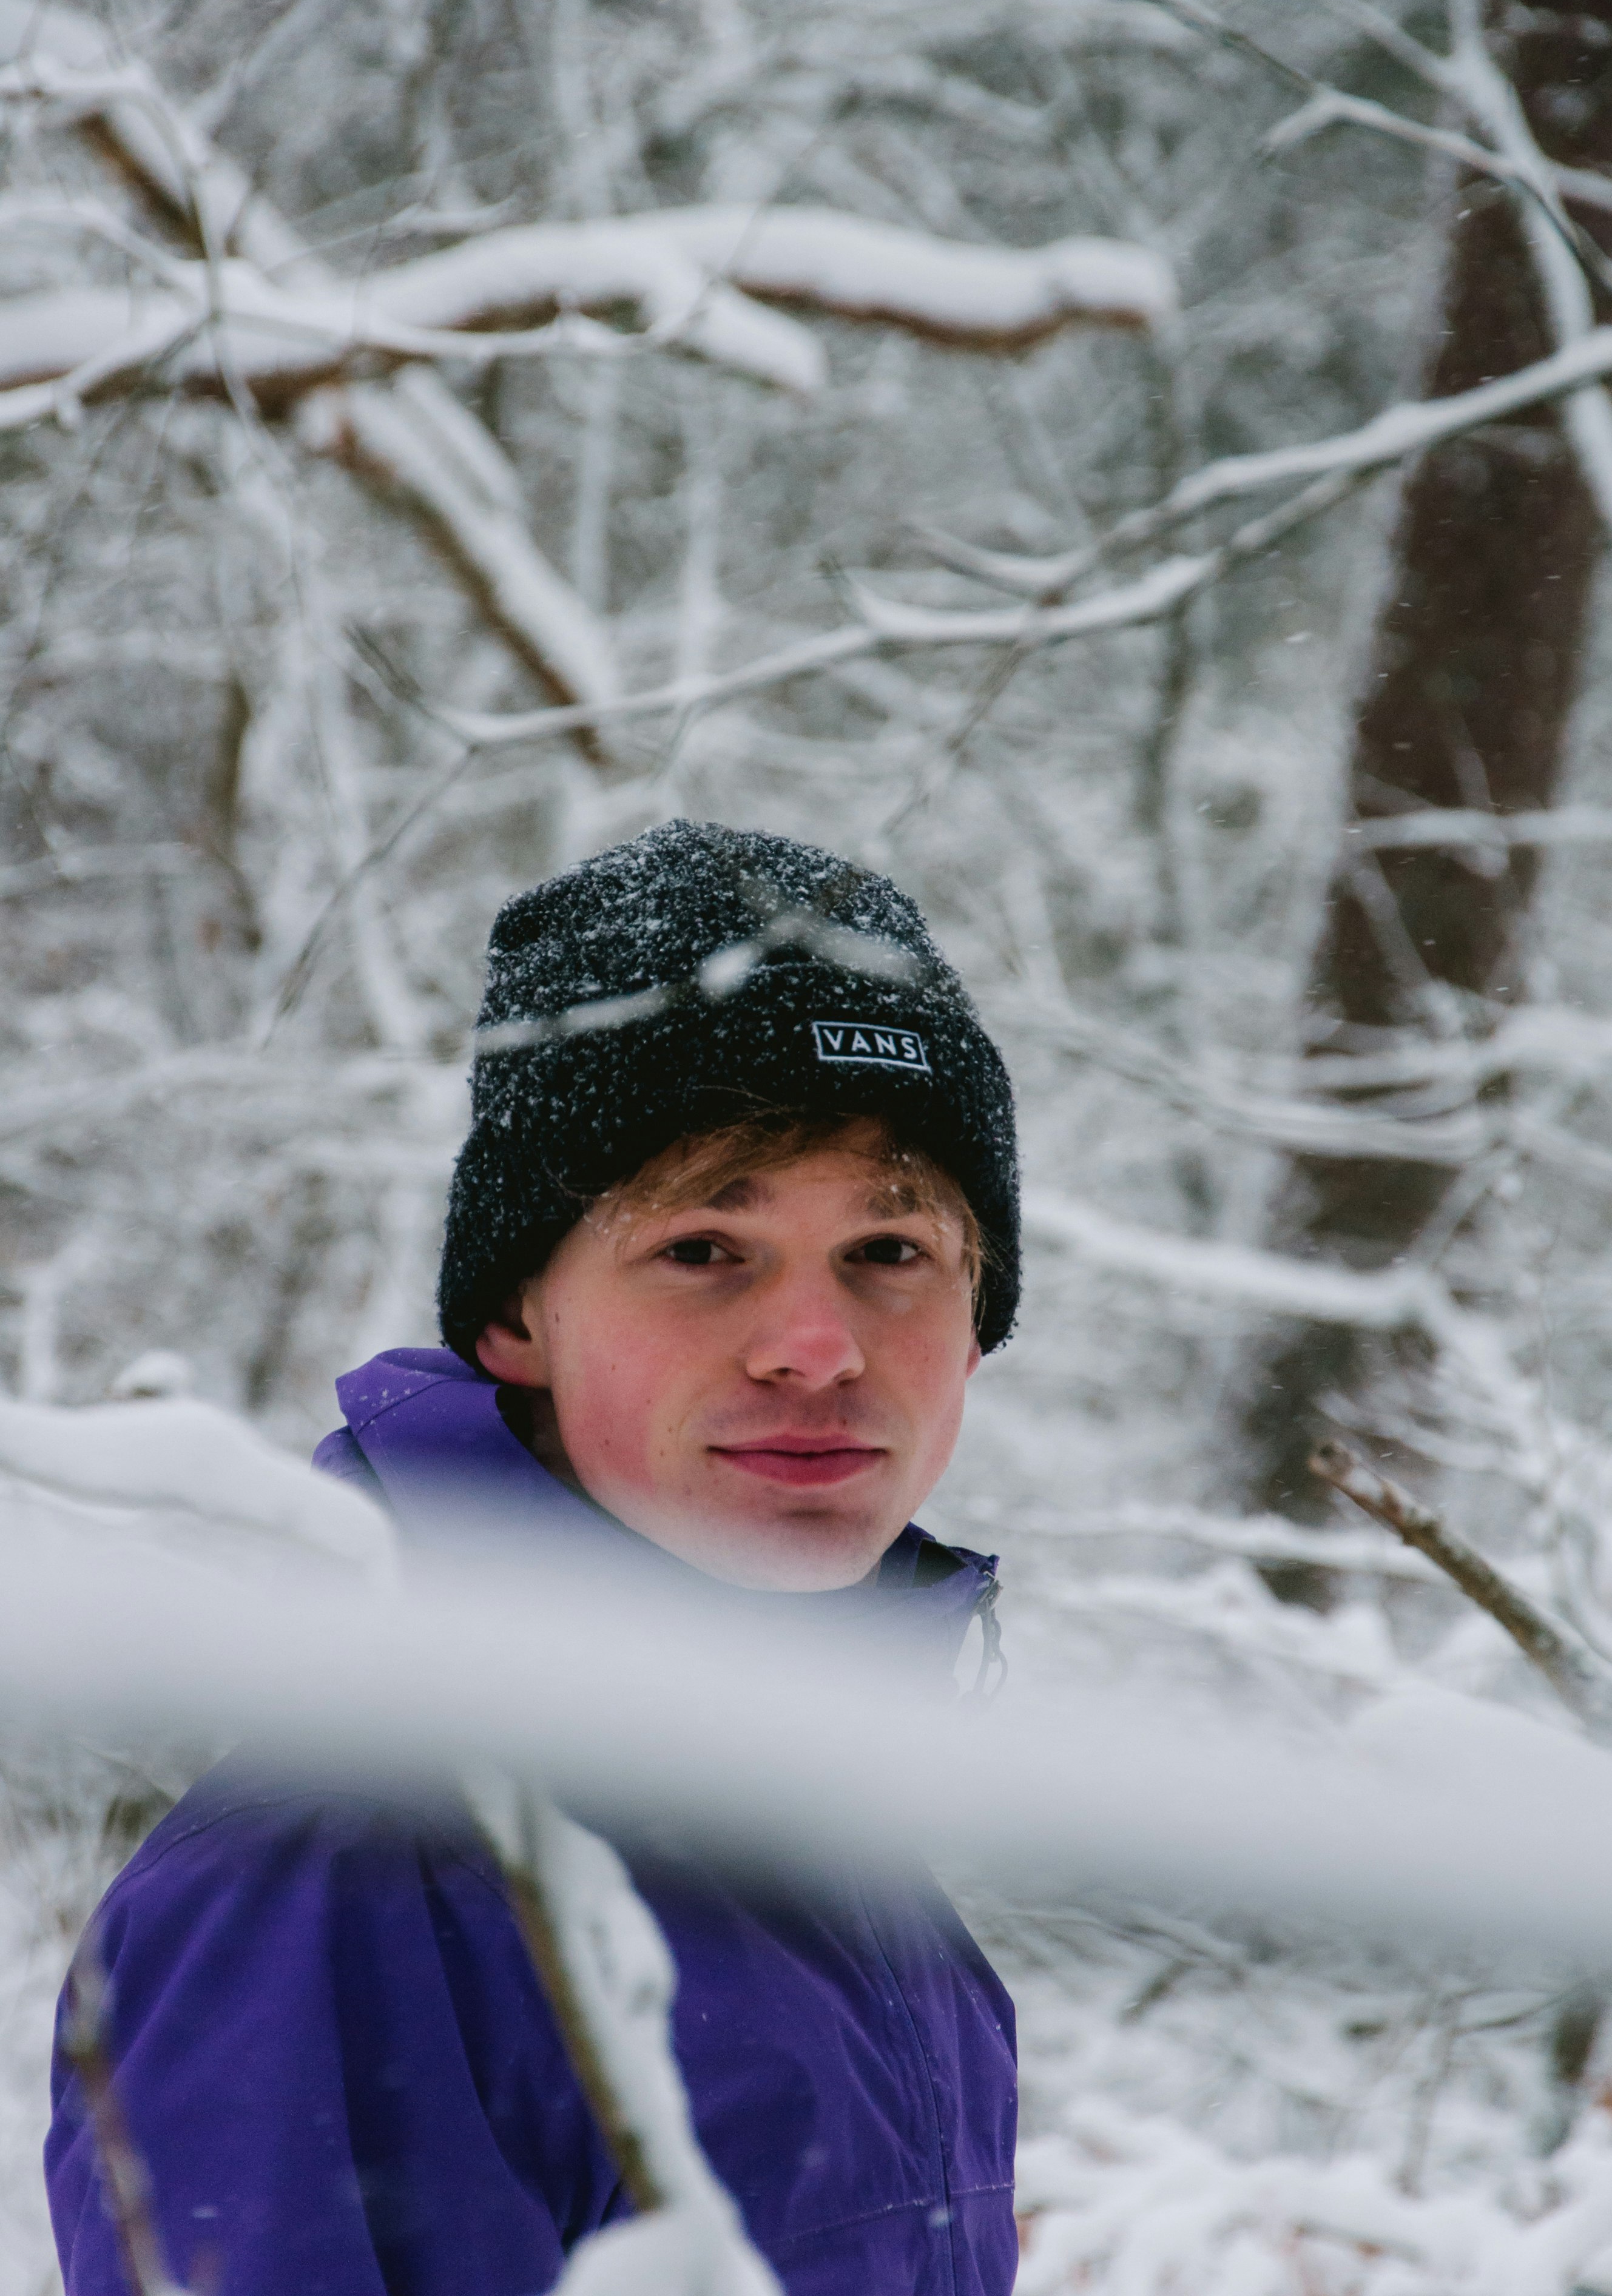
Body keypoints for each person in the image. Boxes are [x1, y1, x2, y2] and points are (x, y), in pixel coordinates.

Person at [45, 819, 1022, 2296]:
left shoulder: (822, 1822)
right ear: (518, 1317)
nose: (818, 1350)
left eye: (891, 1253)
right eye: (705, 1246)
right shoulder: (349, 1864)